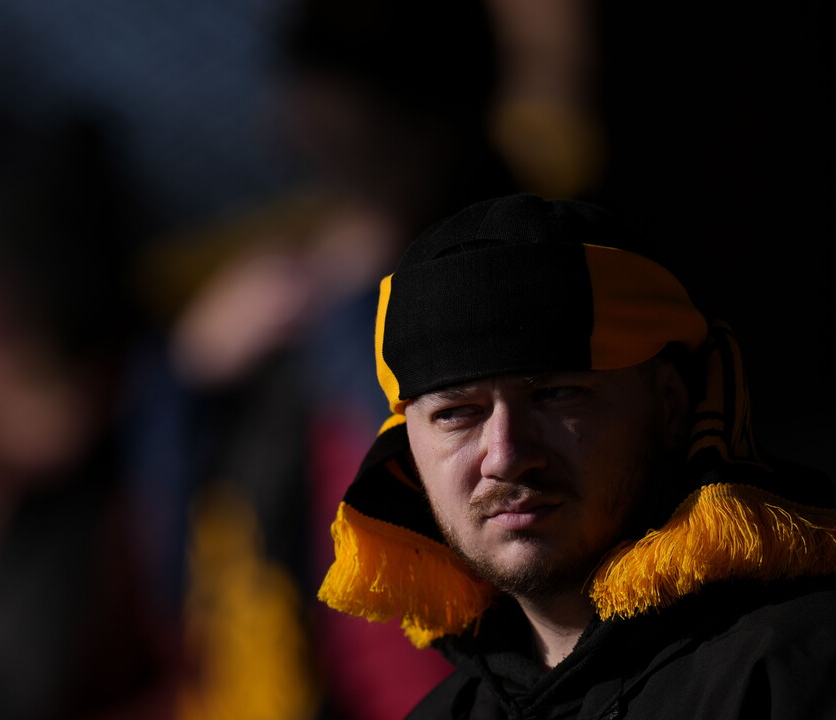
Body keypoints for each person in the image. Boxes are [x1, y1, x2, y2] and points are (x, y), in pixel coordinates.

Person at [316, 192, 836, 719]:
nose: (506, 456)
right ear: (408, 444)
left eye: (555, 395)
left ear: (672, 405)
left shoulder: (795, 673)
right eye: (457, 413)